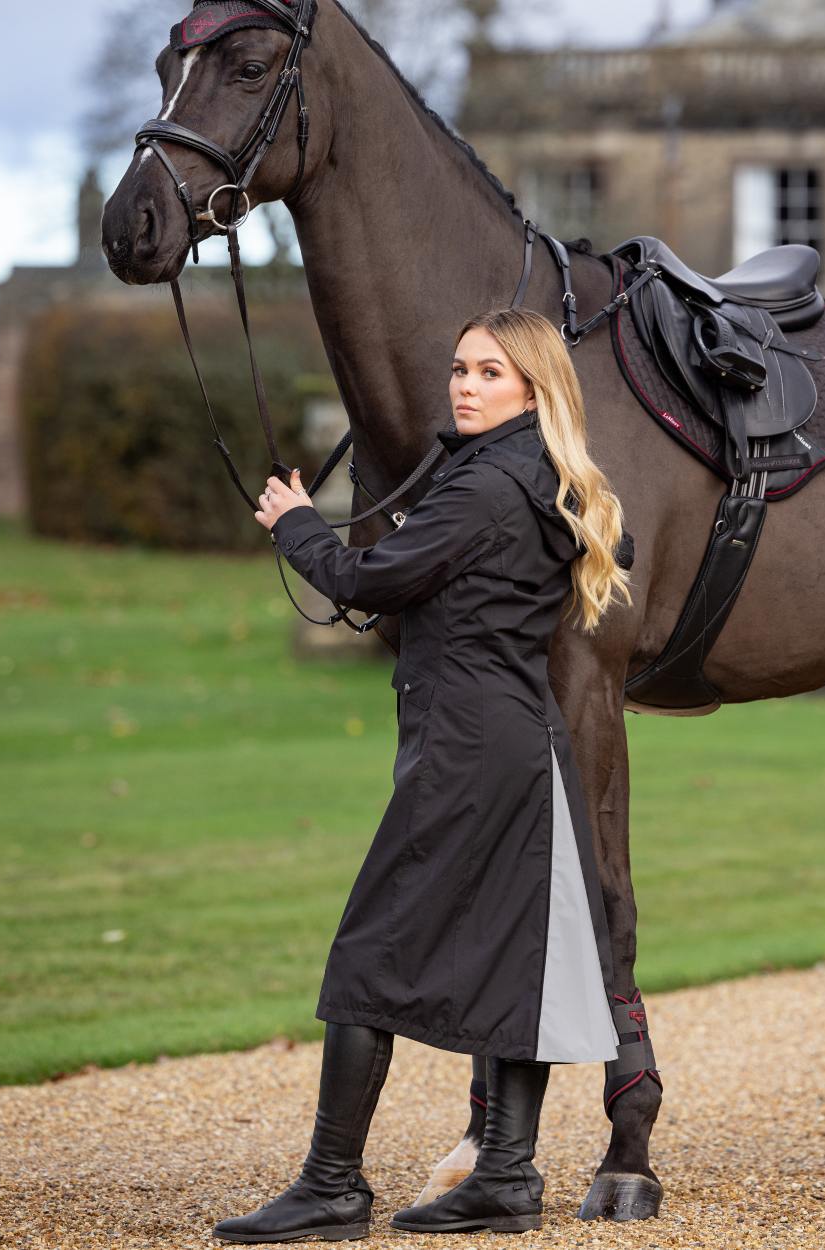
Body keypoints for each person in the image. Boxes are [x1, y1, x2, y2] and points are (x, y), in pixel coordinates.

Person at [213, 306, 635, 1242]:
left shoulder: (487, 488)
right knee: (520, 954)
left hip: (468, 749)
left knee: (370, 951)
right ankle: (506, 1180)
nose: (465, 386)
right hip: (518, 742)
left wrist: (292, 522)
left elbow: (367, 583)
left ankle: (332, 1188)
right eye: (459, 369)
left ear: (533, 387)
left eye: (489, 373)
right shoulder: (539, 476)